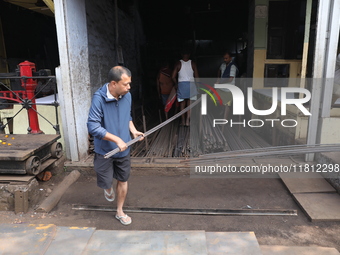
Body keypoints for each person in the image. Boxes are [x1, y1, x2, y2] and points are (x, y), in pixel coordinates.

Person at [87, 66, 144, 226]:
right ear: (113, 84)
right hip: (105, 150)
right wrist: (116, 140)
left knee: (123, 180)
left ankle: (120, 211)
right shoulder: (99, 99)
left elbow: (128, 116)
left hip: (124, 149)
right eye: (125, 84)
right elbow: (93, 126)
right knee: (105, 181)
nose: (129, 87)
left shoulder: (127, 96)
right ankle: (107, 187)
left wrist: (133, 131)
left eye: (129, 84)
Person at [172, 51, 199, 126]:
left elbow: (173, 76)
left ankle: (183, 121)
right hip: (191, 85)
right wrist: (198, 86)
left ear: (181, 54)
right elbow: (196, 77)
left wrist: (176, 84)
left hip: (182, 85)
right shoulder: (193, 64)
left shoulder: (178, 64)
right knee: (189, 103)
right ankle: (188, 121)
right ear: (189, 54)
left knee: (182, 104)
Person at [216, 51, 239, 120]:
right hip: (221, 88)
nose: (225, 60)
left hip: (229, 89)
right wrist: (218, 79)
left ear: (230, 58)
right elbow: (219, 71)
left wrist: (220, 82)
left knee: (227, 105)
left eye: (226, 58)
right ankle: (222, 110)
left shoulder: (233, 66)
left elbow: (230, 79)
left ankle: (224, 120)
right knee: (216, 99)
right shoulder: (223, 65)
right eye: (224, 58)